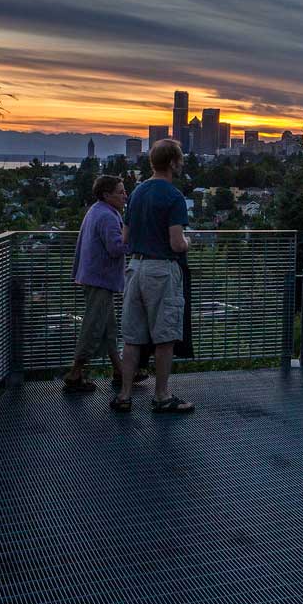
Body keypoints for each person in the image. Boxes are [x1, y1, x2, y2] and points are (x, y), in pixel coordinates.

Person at [115, 139, 195, 414]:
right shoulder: (173, 197)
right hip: (161, 270)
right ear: (173, 163)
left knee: (133, 337)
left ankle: (124, 395)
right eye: (180, 160)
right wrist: (187, 243)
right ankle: (161, 396)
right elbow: (176, 243)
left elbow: (125, 237)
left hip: (134, 268)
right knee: (164, 337)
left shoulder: (136, 193)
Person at [64, 175, 129, 393]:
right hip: (100, 280)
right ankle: (75, 373)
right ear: (106, 194)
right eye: (120, 192)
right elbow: (115, 248)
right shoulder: (108, 217)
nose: (124, 195)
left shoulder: (96, 210)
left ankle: (120, 371)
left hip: (93, 277)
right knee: (93, 326)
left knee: (108, 329)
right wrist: (130, 234)